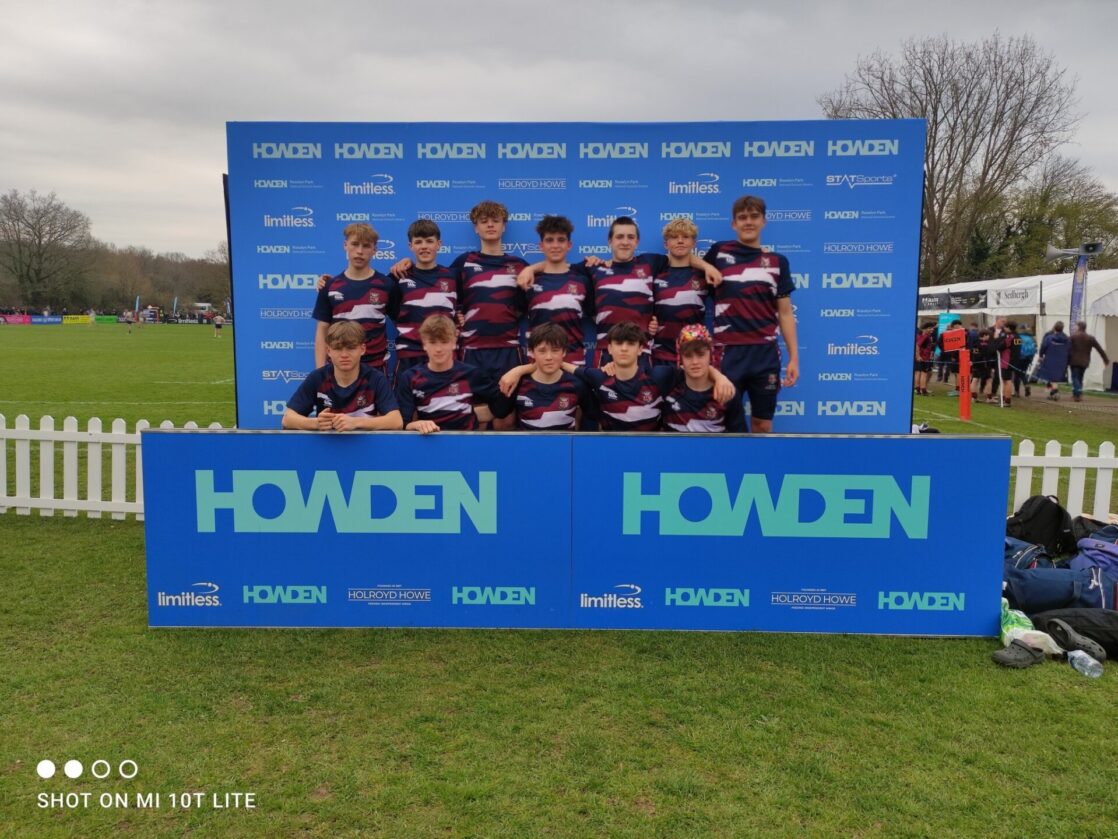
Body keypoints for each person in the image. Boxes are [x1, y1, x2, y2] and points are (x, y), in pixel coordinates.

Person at [500, 321, 735, 432]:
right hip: (611, 455)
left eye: (630, 344)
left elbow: (694, 367)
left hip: (652, 455)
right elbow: (556, 363)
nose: (624, 349)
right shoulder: (598, 378)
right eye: (618, 344)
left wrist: (720, 377)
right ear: (609, 349)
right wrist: (519, 369)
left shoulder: (660, 376)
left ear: (641, 349)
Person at [702, 195, 799, 433]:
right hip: (727, 353)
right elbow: (687, 261)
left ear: (764, 221)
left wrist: (794, 358)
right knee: (726, 424)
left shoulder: (777, 261)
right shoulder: (719, 252)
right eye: (742, 217)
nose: (748, 222)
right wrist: (705, 265)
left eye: (754, 217)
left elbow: (785, 313)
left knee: (762, 424)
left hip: (764, 354)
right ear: (733, 223)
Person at [395, 315, 510, 433]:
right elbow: (402, 424)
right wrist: (416, 425)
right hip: (429, 440)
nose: (438, 349)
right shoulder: (410, 378)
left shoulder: (471, 374)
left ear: (454, 342)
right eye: (433, 342)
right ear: (424, 344)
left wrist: (517, 372)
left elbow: (502, 409)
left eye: (444, 342)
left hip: (466, 441)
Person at [282, 321, 403, 431]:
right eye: (338, 349)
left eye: (351, 348)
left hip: (365, 445)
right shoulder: (317, 377)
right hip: (327, 445)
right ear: (328, 351)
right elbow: (287, 419)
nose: (344, 355)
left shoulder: (375, 378)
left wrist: (355, 423)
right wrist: (316, 423)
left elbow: (396, 421)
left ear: (362, 349)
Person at [312, 223, 399, 374]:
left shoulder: (386, 285)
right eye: (355, 244)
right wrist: (320, 373)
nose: (359, 251)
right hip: (339, 370)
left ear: (374, 250)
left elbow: (402, 325)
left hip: (376, 370)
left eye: (366, 246)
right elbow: (322, 331)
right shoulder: (330, 286)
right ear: (345, 245)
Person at [518, 215, 591, 364]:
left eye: (561, 240)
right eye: (550, 240)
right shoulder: (528, 279)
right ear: (541, 245)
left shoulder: (582, 280)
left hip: (573, 361)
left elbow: (597, 316)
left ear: (569, 245)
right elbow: (513, 315)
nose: (555, 245)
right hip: (537, 363)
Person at [392, 219, 458, 382]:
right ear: (411, 246)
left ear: (439, 244)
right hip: (409, 357)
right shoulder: (399, 277)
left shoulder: (453, 276)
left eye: (429, 241)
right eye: (418, 242)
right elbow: (390, 312)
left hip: (444, 356)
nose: (424, 246)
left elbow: (463, 308)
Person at [505, 323, 591, 431]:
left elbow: (594, 414)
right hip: (528, 442)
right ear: (531, 352)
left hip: (565, 442)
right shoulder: (519, 383)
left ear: (564, 351)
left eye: (555, 350)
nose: (549, 357)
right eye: (542, 351)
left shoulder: (577, 384)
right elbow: (500, 412)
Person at [662, 324, 747, 433]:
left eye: (701, 354)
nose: (695, 362)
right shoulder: (668, 381)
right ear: (680, 358)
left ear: (710, 355)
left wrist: (719, 377)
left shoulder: (725, 391)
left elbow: (739, 438)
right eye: (688, 355)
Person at [652, 218, 711, 367]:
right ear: (666, 244)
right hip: (660, 354)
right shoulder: (654, 273)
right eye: (674, 237)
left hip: (694, 355)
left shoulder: (704, 274)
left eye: (685, 237)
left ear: (693, 243)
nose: (680, 241)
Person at [1068, 320, 1110, 402]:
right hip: (1085, 361)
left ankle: (1077, 392)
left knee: (1075, 377)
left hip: (1074, 361)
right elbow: (1100, 349)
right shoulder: (1090, 338)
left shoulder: (1073, 337)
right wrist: (1105, 360)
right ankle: (1077, 393)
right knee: (1080, 377)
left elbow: (1067, 348)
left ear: (1079, 327)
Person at [1035, 321, 1071, 401]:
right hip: (1062, 360)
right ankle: (1052, 393)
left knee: (1050, 377)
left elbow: (1043, 347)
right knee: (1055, 378)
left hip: (1050, 359)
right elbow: (1069, 350)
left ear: (1055, 327)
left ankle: (1055, 391)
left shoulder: (1049, 338)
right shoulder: (1067, 339)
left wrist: (1041, 355)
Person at [914, 322, 936, 396]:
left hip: (921, 357)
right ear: (926, 329)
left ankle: (918, 389)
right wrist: (918, 356)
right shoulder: (926, 336)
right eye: (930, 328)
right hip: (923, 358)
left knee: (918, 372)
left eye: (932, 328)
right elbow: (917, 345)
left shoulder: (921, 335)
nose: (932, 329)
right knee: (924, 373)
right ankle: (923, 390)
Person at [1016, 326, 1037, 397]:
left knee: (1017, 374)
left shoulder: (1018, 337)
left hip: (1019, 358)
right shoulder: (1031, 338)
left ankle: (1017, 391)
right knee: (1023, 373)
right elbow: (1034, 349)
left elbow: (1016, 348)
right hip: (1028, 358)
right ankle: (1026, 384)